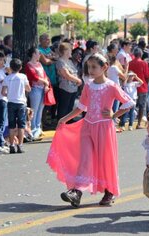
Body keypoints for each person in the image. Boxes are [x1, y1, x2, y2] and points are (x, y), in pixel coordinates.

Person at [47, 53, 135, 207]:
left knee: (105, 160)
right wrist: (64, 119)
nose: (91, 70)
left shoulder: (111, 86)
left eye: (94, 67)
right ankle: (76, 192)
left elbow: (129, 102)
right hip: (87, 126)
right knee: (85, 159)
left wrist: (114, 114)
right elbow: (81, 107)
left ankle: (109, 191)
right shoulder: (88, 85)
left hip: (104, 128)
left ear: (105, 67)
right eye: (89, 67)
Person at [1, 59, 31, 154]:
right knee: (21, 125)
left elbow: (3, 92)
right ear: (20, 67)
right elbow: (28, 89)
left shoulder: (7, 78)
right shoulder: (23, 77)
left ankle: (12, 145)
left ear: (11, 67)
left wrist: (9, 94)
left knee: (11, 125)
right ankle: (20, 145)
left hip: (11, 102)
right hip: (21, 102)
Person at [25, 47, 50, 139]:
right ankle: (32, 128)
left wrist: (46, 85)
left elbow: (44, 75)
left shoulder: (39, 64)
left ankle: (38, 128)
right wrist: (45, 82)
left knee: (40, 109)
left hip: (42, 88)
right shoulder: (29, 65)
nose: (39, 55)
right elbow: (33, 77)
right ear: (33, 54)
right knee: (34, 109)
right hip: (35, 89)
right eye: (38, 53)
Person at [56, 43, 82, 120]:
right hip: (65, 88)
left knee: (70, 107)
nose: (71, 52)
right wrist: (78, 80)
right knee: (63, 108)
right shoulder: (60, 62)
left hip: (73, 88)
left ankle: (68, 122)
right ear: (65, 51)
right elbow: (66, 75)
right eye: (70, 50)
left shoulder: (69, 61)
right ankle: (61, 124)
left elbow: (74, 72)